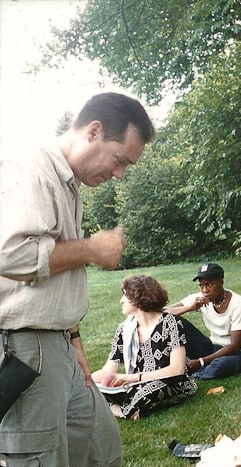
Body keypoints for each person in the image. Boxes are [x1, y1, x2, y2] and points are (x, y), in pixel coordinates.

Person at [0, 92, 155, 466]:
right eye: (119, 161)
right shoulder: (31, 169)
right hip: (25, 350)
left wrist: (74, 341)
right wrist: (90, 249)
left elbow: (54, 277)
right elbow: (9, 254)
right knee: (39, 459)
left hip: (61, 348)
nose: (119, 174)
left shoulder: (69, 184)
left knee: (101, 450)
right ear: (94, 131)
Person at [92, 275, 197, 420]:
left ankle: (119, 410)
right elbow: (108, 371)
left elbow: (177, 369)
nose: (121, 300)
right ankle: (128, 411)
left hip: (170, 381)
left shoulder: (170, 323)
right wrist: (86, 381)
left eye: (124, 295)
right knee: (92, 391)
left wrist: (129, 377)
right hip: (135, 383)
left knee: (146, 391)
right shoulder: (124, 329)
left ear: (138, 299)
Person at [167, 263, 241, 380]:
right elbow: (162, 313)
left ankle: (195, 371)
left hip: (236, 354)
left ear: (221, 282)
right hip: (211, 347)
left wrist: (202, 361)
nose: (205, 290)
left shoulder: (238, 304)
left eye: (209, 284)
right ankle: (185, 367)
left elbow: (235, 346)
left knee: (220, 366)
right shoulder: (200, 298)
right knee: (174, 321)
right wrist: (189, 307)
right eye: (201, 286)